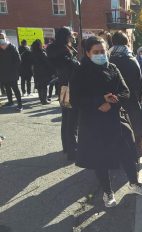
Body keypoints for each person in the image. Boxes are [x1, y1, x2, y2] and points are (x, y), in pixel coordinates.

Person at [70, 36, 142, 208]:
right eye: (96, 52)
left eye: (103, 51)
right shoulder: (80, 71)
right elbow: (76, 100)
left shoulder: (112, 67)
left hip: (116, 119)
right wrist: (100, 101)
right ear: (87, 53)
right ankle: (107, 192)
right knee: (100, 159)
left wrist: (111, 102)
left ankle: (134, 183)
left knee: (128, 153)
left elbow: (125, 91)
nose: (100, 55)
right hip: (93, 123)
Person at [109, 31, 142, 157]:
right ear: (126, 42)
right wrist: (140, 96)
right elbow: (139, 81)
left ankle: (116, 152)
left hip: (112, 98)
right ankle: (138, 149)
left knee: (114, 125)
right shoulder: (130, 59)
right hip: (131, 97)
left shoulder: (108, 58)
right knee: (135, 123)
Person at [47, 27, 80, 160]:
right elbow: (73, 66)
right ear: (66, 37)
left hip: (63, 87)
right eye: (70, 36)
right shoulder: (63, 51)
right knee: (72, 120)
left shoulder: (56, 49)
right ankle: (72, 150)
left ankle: (67, 147)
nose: (72, 38)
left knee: (67, 118)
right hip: (69, 87)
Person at [0, 33, 23, 111]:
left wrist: (14, 69)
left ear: (6, 38)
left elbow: (18, 59)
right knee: (7, 87)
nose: (1, 39)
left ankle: (20, 104)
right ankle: (10, 101)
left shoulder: (12, 47)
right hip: (3, 73)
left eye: (2, 37)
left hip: (12, 72)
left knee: (15, 88)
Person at [31, 39, 56, 105]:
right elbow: (47, 63)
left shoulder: (32, 53)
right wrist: (52, 70)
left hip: (36, 71)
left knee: (39, 86)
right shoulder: (42, 53)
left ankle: (41, 99)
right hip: (43, 72)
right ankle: (44, 100)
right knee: (44, 86)